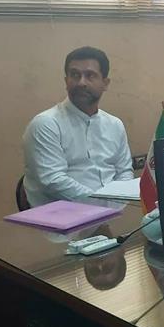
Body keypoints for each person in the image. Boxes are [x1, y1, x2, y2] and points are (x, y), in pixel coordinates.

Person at [22, 47, 133, 207]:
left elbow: (124, 173)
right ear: (66, 81)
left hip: (114, 213)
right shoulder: (46, 124)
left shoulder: (115, 124)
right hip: (61, 218)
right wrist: (102, 207)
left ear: (105, 83)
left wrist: (117, 206)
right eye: (75, 75)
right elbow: (53, 180)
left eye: (90, 75)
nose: (81, 83)